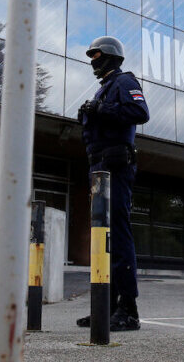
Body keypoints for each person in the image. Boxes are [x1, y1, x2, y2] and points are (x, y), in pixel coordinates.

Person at [75, 36, 150, 332]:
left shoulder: (123, 81)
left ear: (111, 57)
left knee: (117, 236)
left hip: (116, 167)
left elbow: (140, 113)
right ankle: (104, 308)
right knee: (101, 238)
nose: (93, 61)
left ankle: (128, 309)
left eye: (97, 56)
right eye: (91, 57)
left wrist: (101, 110)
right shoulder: (104, 87)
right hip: (98, 166)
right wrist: (88, 114)